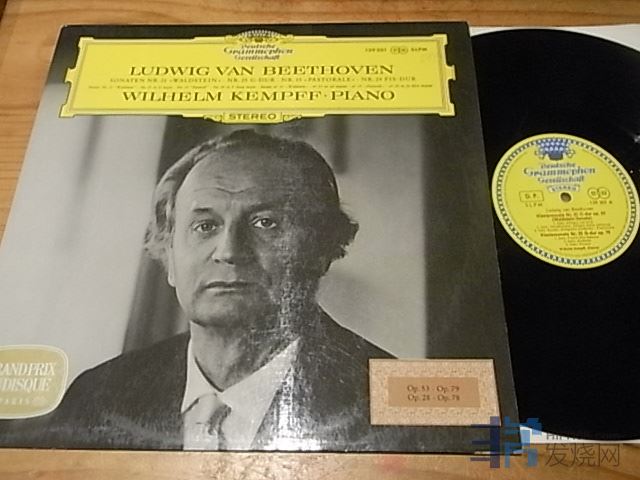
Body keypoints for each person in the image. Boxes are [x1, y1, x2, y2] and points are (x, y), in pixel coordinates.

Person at [2, 129, 415, 451]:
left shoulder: (397, 405)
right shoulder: (98, 393)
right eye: (205, 226)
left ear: (321, 249)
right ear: (169, 257)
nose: (229, 251)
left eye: (266, 223)